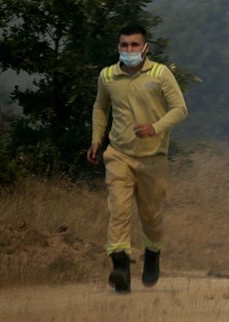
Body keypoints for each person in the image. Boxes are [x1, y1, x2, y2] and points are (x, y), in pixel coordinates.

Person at [86, 24, 187, 293]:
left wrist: (155, 127)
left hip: (153, 158)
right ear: (118, 47)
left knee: (151, 215)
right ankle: (120, 266)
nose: (128, 50)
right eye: (124, 45)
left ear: (145, 47)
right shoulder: (107, 75)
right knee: (118, 210)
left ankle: (153, 253)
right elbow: (100, 106)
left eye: (133, 45)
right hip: (119, 154)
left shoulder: (160, 74)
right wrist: (97, 139)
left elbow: (180, 110)